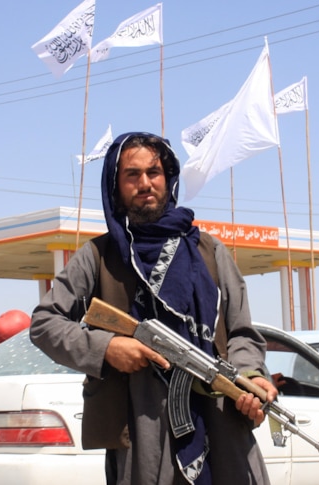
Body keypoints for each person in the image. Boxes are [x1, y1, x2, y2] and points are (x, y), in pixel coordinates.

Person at [31, 132, 277, 485]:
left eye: (154, 172)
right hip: (138, 424)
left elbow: (241, 334)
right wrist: (107, 348)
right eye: (132, 175)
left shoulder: (210, 252)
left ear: (168, 178)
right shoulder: (99, 257)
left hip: (219, 420)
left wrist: (250, 377)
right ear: (116, 186)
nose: (145, 183)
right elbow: (44, 323)